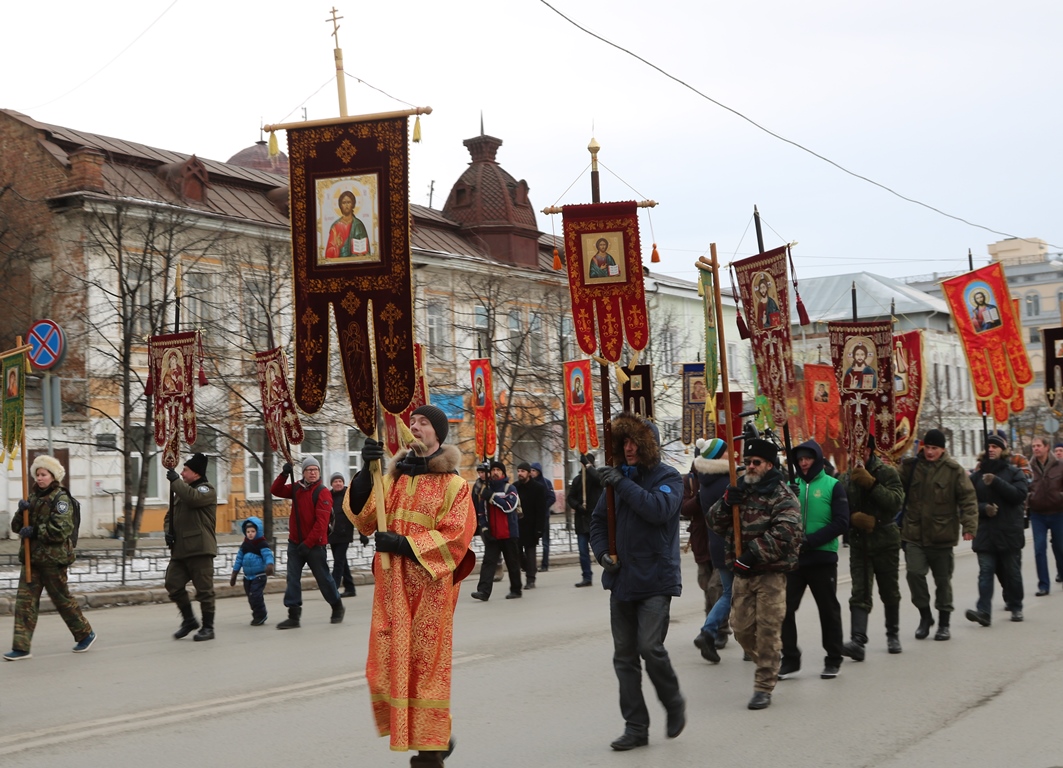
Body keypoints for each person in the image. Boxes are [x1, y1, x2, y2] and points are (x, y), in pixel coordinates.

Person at [346, 404, 475, 767]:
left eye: (423, 423)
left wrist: (404, 545)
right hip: (391, 588)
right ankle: (427, 734)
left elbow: (456, 537)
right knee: (386, 666)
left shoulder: (455, 485)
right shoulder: (395, 478)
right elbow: (365, 518)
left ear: (437, 434)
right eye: (412, 422)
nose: (415, 427)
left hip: (430, 592)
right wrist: (363, 472)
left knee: (425, 668)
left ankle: (430, 749)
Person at [590, 414, 685, 751]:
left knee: (650, 648)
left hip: (657, 580)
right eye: (623, 442)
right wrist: (603, 554)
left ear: (647, 446)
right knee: (624, 657)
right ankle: (635, 726)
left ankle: (673, 701)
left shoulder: (668, 478)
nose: (628, 448)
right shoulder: (617, 481)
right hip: (622, 581)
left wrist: (620, 483)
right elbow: (599, 523)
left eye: (634, 442)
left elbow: (658, 509)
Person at [709, 438, 802, 710]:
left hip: (770, 574)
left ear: (769, 465)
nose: (750, 466)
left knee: (768, 631)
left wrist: (751, 555)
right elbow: (713, 522)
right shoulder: (740, 490)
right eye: (747, 462)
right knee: (741, 629)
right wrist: (726, 502)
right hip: (743, 574)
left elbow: (787, 532)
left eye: (756, 462)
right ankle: (768, 662)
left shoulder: (782, 495)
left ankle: (763, 685)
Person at [4, 455, 95, 660]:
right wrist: (22, 510)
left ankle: (85, 634)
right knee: (24, 602)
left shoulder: (61, 499)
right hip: (32, 559)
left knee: (61, 599)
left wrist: (35, 531)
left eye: (43, 474)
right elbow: (16, 527)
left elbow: (60, 530)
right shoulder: (33, 498)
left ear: (52, 476)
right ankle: (21, 647)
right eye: (37, 474)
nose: (39, 478)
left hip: (53, 560)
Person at [779, 440, 849, 680]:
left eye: (808, 458)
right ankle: (790, 658)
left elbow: (841, 522)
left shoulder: (833, 486)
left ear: (817, 459)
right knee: (783, 609)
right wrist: (788, 497)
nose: (803, 463)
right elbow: (778, 517)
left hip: (822, 558)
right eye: (799, 460)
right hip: (794, 560)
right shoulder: (791, 485)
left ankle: (833, 658)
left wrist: (812, 540)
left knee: (828, 610)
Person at [900, 429, 978, 641]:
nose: (930, 452)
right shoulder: (911, 467)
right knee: (914, 574)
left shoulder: (954, 471)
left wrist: (969, 526)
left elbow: (968, 499)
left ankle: (944, 623)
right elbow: (894, 486)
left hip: (942, 535)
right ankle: (925, 616)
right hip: (914, 533)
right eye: (928, 447)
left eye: (935, 448)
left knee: (942, 581)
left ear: (943, 449)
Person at [839, 434, 905, 660]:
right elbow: (837, 509)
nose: (856, 455)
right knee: (860, 592)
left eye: (860, 450)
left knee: (889, 590)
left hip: (885, 540)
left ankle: (892, 634)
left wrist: (872, 484)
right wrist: (851, 519)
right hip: (860, 543)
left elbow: (896, 502)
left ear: (869, 450)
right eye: (851, 450)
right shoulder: (846, 477)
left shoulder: (886, 473)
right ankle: (858, 640)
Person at [271, 456, 344, 628]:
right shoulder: (297, 488)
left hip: (315, 545)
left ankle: (337, 605)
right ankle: (294, 616)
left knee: (324, 579)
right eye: (309, 470)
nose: (312, 472)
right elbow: (276, 490)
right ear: (303, 472)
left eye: (315, 470)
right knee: (293, 578)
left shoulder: (322, 492)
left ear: (319, 472)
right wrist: (283, 474)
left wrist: (308, 543)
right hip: (295, 542)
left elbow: (321, 523)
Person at [965, 433, 1027, 626]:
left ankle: (1016, 605)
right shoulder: (976, 476)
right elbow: (968, 503)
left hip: (1008, 532)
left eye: (995, 446)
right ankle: (984, 612)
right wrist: (985, 509)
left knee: (1012, 572)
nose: (991, 449)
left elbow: (1019, 496)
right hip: (986, 533)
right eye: (989, 446)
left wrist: (997, 482)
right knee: (985, 572)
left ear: (1003, 450)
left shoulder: (1014, 472)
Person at [164, 452, 218, 642]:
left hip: (200, 549)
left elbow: (193, 499)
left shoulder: (206, 490)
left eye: (185, 470)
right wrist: (168, 532)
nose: (182, 473)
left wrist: (175, 481)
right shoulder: (182, 492)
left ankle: (208, 627)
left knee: (204, 590)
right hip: (180, 549)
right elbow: (169, 516)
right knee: (172, 583)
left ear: (195, 473)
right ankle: (189, 620)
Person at [691, 437, 733, 663]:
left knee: (728, 593)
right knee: (743, 593)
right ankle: (749, 644)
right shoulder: (726, 482)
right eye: (726, 453)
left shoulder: (706, 482)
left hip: (716, 545)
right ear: (718, 456)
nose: (730, 455)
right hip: (733, 545)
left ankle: (708, 632)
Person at [471, 461, 523, 601]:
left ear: (503, 473)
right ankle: (483, 591)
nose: (494, 472)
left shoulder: (509, 488)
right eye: (492, 470)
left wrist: (492, 497)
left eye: (497, 470)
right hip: (493, 534)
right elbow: (481, 512)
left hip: (508, 533)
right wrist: (485, 529)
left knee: (512, 563)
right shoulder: (484, 489)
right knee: (488, 563)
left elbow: (509, 506)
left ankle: (516, 589)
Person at [1029, 436, 1063, 596]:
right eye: (1033, 446)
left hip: (1058, 512)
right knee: (1039, 549)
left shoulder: (1059, 466)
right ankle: (1043, 585)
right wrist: (1028, 499)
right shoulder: (1029, 468)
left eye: (1038, 446)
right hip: (1037, 515)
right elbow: (1024, 487)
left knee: (1060, 547)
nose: (1035, 448)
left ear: (1046, 447)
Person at [229, 516, 275, 626]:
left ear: (258, 531)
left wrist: (269, 565)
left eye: (253, 531)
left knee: (256, 595)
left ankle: (261, 615)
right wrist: (234, 573)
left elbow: (268, 555)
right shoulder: (245, 545)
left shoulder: (262, 544)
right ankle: (257, 614)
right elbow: (239, 559)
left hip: (259, 575)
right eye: (248, 531)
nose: (250, 534)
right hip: (247, 576)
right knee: (251, 597)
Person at [567, 453, 603, 587]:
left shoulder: (596, 478)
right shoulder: (577, 480)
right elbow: (570, 497)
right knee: (583, 551)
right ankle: (587, 576)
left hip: (595, 521)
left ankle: (611, 573)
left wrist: (588, 467)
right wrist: (577, 506)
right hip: (582, 520)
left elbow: (599, 479)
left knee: (600, 549)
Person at [329, 471, 361, 597]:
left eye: (340, 481)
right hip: (332, 534)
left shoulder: (348, 496)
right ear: (332, 484)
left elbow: (356, 514)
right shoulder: (328, 496)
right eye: (335, 481)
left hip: (344, 534)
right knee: (342, 561)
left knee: (338, 561)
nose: (338, 483)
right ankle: (350, 588)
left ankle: (333, 589)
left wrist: (362, 534)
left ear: (343, 483)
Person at [515, 462, 547, 589]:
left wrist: (539, 529)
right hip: (517, 525)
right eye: (518, 471)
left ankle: (530, 579)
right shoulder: (515, 487)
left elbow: (541, 511)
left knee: (530, 552)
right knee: (517, 552)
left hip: (532, 526)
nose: (520, 473)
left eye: (523, 471)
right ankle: (529, 568)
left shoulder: (538, 488)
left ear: (529, 473)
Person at [325, 189, 370, 260]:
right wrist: (337, 246)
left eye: (348, 202)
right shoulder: (335, 226)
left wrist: (362, 254)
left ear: (353, 204)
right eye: (344, 202)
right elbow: (328, 253)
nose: (346, 205)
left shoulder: (358, 225)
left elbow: (366, 249)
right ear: (340, 205)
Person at [531, 462, 556, 570]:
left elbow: (552, 497)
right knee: (531, 542)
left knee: (545, 542)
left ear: (539, 472)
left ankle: (544, 565)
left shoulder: (546, 483)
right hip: (532, 517)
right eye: (531, 470)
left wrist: (542, 507)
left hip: (544, 516)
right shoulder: (529, 483)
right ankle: (531, 565)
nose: (532, 473)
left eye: (534, 471)